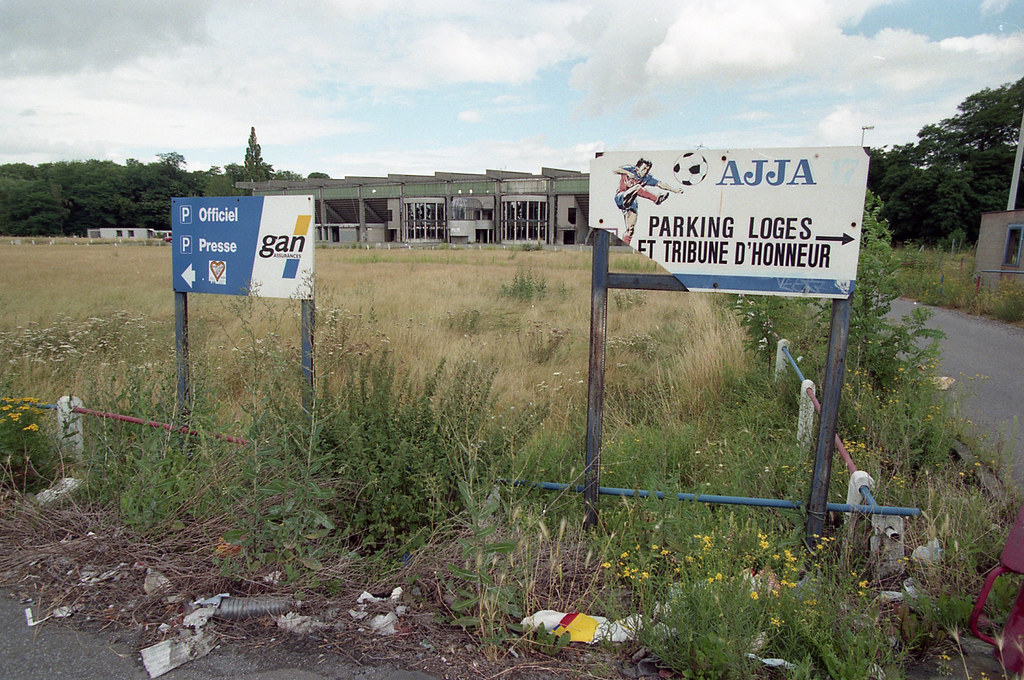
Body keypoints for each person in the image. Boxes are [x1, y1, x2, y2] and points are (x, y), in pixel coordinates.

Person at [613, 158, 682, 245]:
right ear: (637, 169)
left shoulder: (646, 178)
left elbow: (660, 184)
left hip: (631, 202)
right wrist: (628, 173)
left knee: (630, 230)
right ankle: (656, 199)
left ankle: (626, 246)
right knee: (637, 187)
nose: (646, 172)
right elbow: (614, 169)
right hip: (621, 196)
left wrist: (674, 190)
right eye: (644, 169)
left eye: (648, 170)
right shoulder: (630, 169)